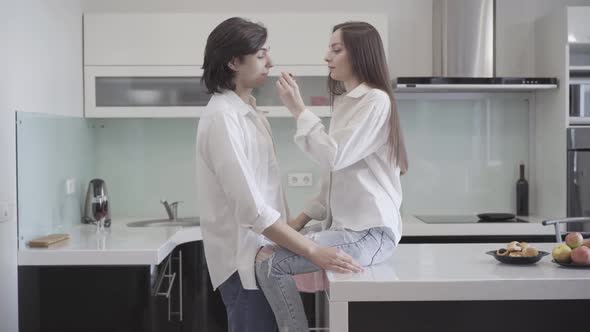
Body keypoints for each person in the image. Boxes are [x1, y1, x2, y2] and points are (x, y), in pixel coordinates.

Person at [196, 17, 363, 332]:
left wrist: (297, 228)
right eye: (261, 55)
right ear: (233, 61)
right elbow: (252, 210)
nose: (270, 62)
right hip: (244, 267)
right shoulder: (222, 118)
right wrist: (313, 251)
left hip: (262, 258)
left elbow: (264, 193)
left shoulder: (250, 113)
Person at [255, 21, 409, 332]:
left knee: (271, 264)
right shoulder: (345, 102)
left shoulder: (375, 101)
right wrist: (296, 222)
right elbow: (332, 178)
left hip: (370, 233)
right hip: (351, 231)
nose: (327, 57)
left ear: (360, 55)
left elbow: (334, 155)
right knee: (268, 255)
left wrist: (299, 110)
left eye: (336, 49)